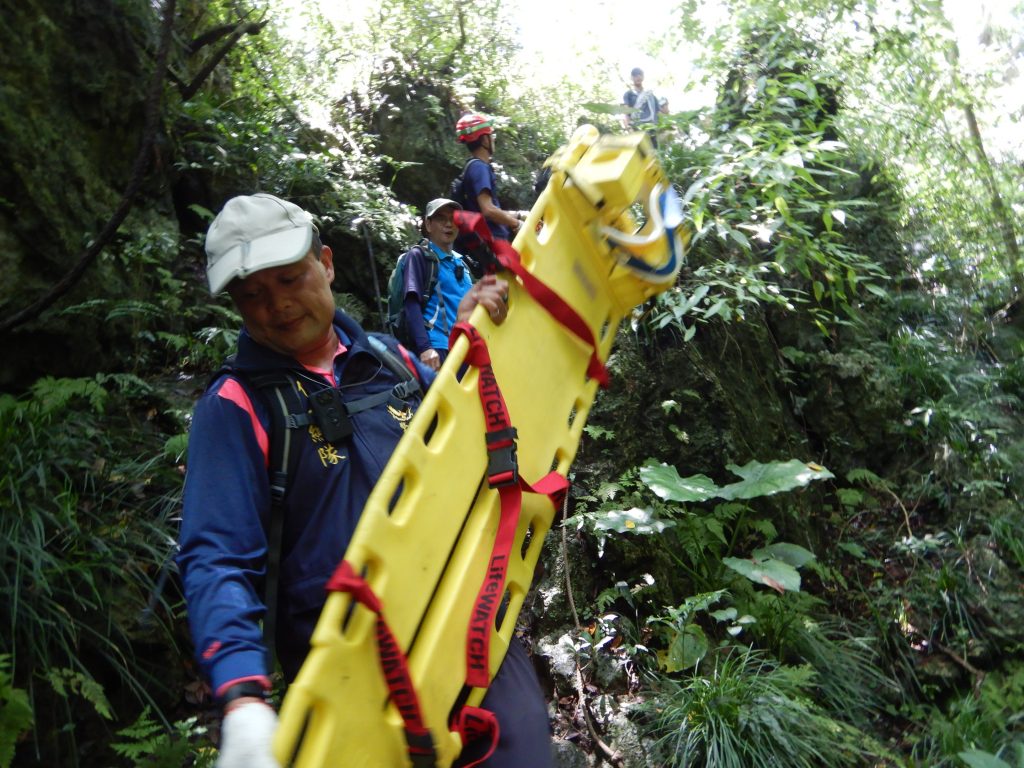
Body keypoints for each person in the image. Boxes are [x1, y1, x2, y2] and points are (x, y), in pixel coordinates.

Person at [176, 193, 553, 767]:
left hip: (470, 636)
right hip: (354, 685)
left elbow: (461, 436)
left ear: (325, 263)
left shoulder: (389, 357)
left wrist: (471, 337)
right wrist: (243, 696)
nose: (278, 306)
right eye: (253, 295)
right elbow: (217, 558)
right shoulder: (236, 406)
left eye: (289, 278)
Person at [401, 198, 476, 371]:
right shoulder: (419, 256)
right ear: (428, 224)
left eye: (454, 219)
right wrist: (425, 348)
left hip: (466, 349)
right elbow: (411, 303)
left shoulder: (462, 263)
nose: (449, 224)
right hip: (437, 350)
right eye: (441, 218)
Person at [454, 113, 528, 242]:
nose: (493, 139)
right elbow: (488, 210)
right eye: (491, 136)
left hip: (488, 243)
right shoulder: (479, 168)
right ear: (484, 140)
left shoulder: (472, 167)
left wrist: (518, 215)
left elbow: (489, 210)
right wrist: (516, 224)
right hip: (494, 244)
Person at [621, 67, 660, 147]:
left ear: (643, 77)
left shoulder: (651, 96)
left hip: (652, 130)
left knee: (654, 154)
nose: (638, 77)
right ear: (632, 78)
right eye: (635, 75)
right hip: (637, 129)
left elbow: (658, 113)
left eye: (640, 75)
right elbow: (626, 112)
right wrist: (629, 129)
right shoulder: (629, 94)